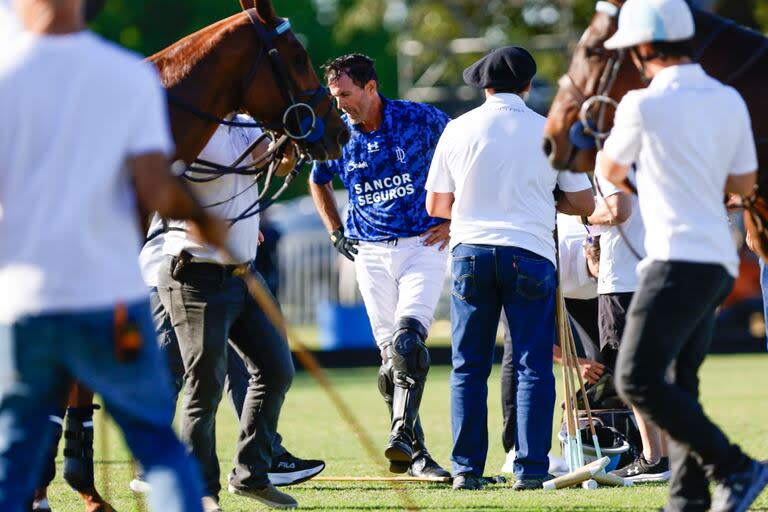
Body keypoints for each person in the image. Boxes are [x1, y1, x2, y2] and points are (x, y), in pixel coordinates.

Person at [0, 0, 227, 511]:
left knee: (12, 455)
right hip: (112, 305)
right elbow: (156, 185)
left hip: (26, 306)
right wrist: (208, 221)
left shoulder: (6, 73)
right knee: (157, 445)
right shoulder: (126, 76)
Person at [597, 1, 767, 510]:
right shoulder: (729, 98)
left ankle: (735, 467)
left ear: (647, 47)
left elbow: (608, 169)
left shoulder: (639, 103)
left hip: (673, 259)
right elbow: (741, 184)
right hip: (719, 261)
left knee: (634, 377)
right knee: (681, 384)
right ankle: (687, 497)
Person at [425, 46, 594, 491]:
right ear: (527, 86)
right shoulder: (548, 132)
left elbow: (435, 205)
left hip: (470, 253)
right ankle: (531, 469)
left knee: (468, 366)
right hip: (530, 252)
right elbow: (584, 202)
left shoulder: (457, 129)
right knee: (532, 364)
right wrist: (544, 200)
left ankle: (466, 469)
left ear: (484, 86)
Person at [135, 118, 325, 496]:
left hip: (243, 272)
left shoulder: (245, 122)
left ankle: (251, 474)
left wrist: (283, 150)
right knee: (202, 386)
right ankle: (200, 491)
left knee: (275, 369)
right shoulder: (190, 123)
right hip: (193, 273)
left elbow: (266, 164)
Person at [309, 53, 451, 477]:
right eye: (334, 97)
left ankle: (400, 438)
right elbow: (318, 181)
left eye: (346, 95)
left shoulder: (422, 119)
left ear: (371, 88)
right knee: (391, 360)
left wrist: (455, 216)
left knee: (409, 343)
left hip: (422, 244)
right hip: (368, 252)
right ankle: (416, 452)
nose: (340, 105)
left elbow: (468, 160)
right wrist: (335, 231)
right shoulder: (337, 132)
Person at [500, 213, 605, 475]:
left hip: (581, 287)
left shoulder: (613, 265)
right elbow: (530, 336)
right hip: (527, 269)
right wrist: (572, 361)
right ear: (589, 255)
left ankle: (600, 439)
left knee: (606, 357)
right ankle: (516, 449)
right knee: (521, 355)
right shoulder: (559, 255)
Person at [584, 168, 671, 483]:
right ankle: (664, 456)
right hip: (660, 272)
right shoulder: (657, 151)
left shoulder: (612, 155)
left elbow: (618, 210)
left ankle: (652, 458)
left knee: (629, 371)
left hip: (624, 279)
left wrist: (582, 212)